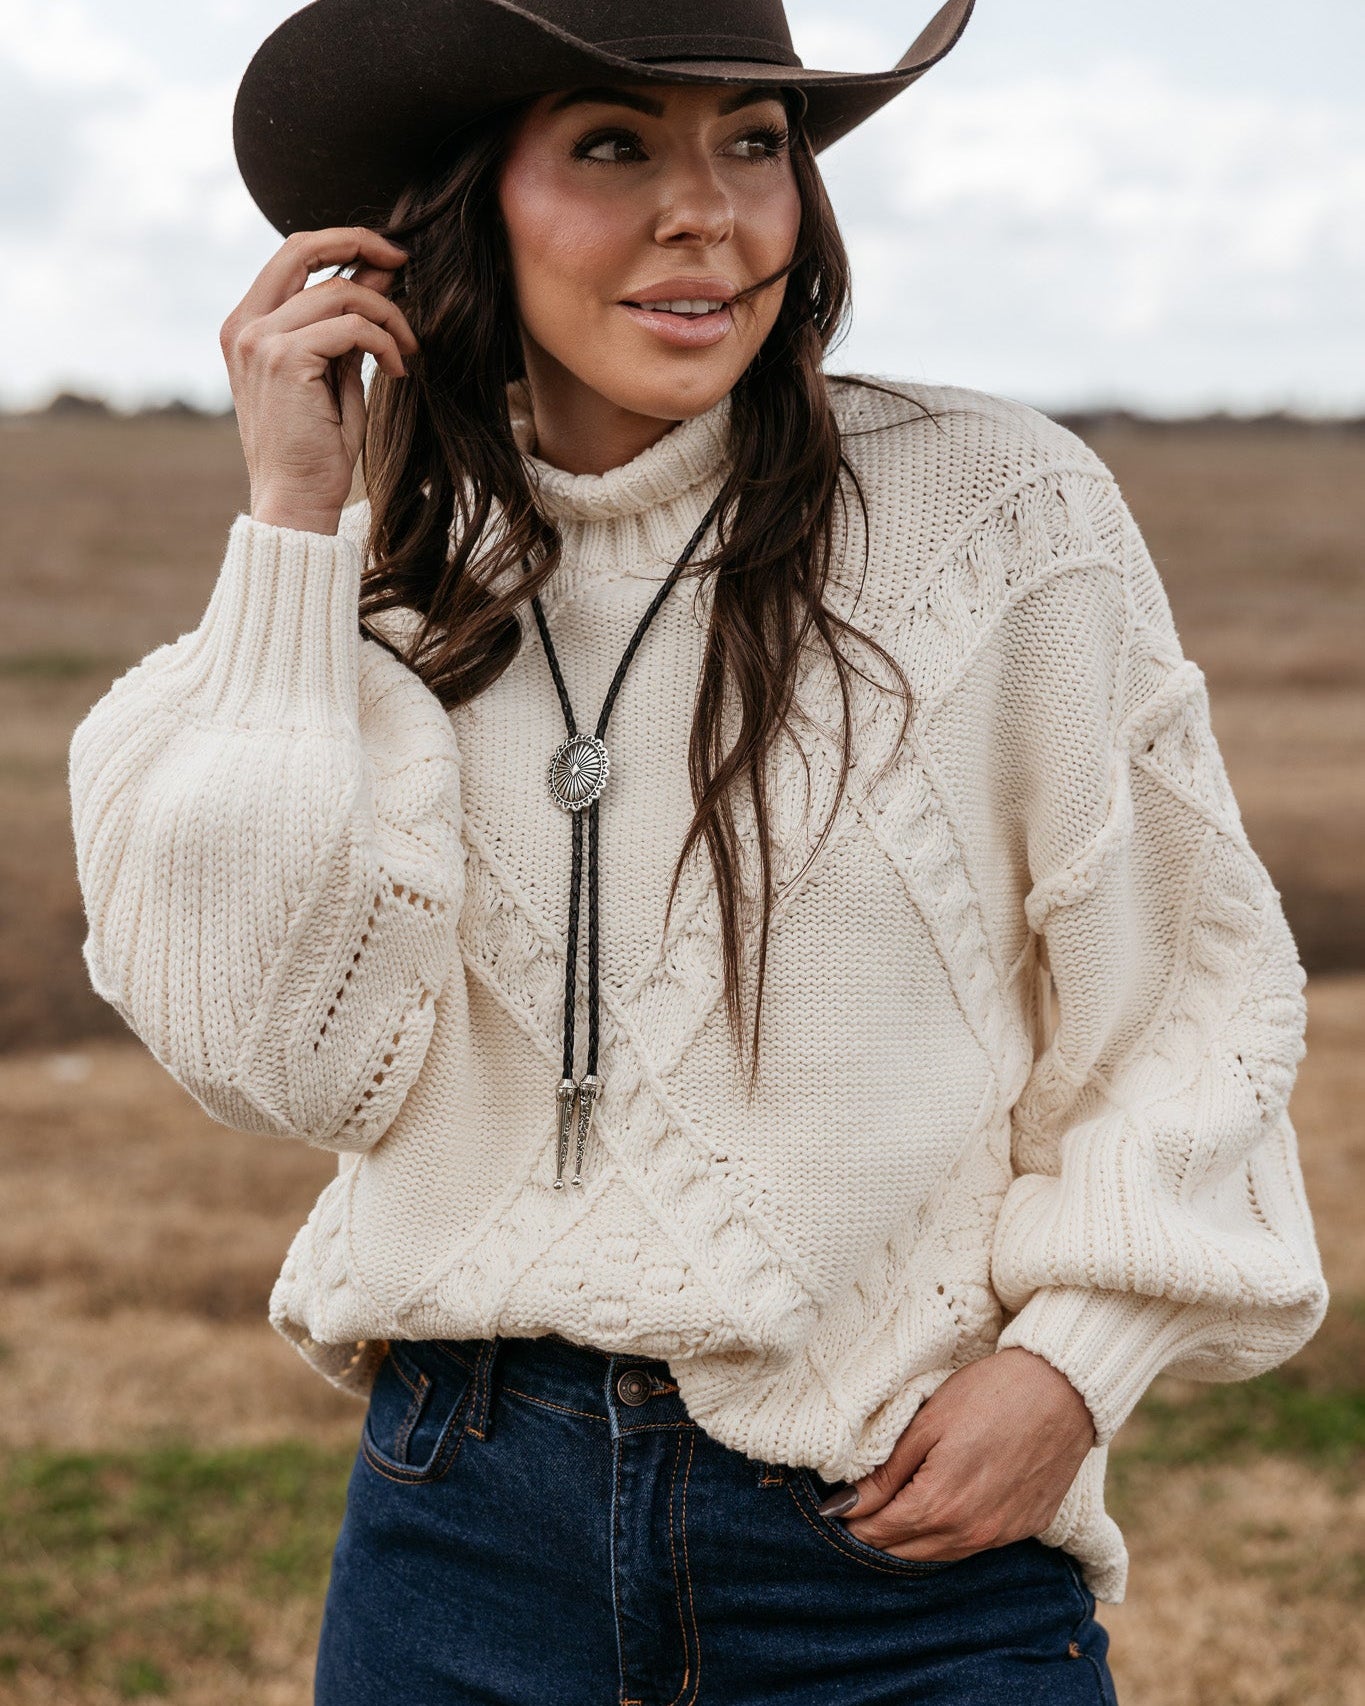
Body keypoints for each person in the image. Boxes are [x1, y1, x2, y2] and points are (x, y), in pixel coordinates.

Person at [67, 0, 1329, 1699]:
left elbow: (1191, 990)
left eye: (752, 141)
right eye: (613, 145)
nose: (709, 212)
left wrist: (1074, 1366)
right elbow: (271, 1058)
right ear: (463, 207)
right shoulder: (362, 600)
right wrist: (298, 529)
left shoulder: (996, 520)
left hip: (895, 1556)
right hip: (461, 1537)